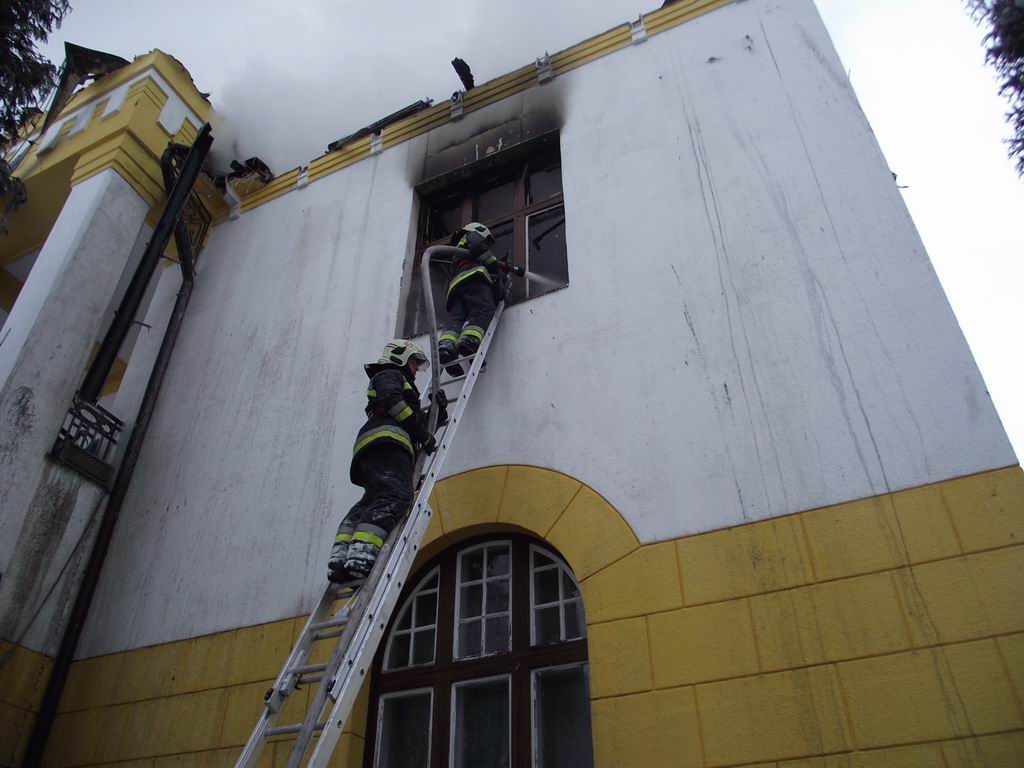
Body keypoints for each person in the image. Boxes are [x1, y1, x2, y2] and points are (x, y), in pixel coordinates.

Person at [327, 339, 444, 583]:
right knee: (395, 495)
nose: (416, 369)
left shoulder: (395, 383)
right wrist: (421, 433)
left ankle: (341, 554)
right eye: (413, 362)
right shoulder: (389, 375)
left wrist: (438, 410)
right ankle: (362, 553)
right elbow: (395, 405)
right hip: (388, 441)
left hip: (376, 444)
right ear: (399, 357)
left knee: (371, 499)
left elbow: (416, 423)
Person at [437, 222, 522, 371]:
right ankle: (469, 340)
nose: (486, 244)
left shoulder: (458, 253)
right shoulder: (472, 236)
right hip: (473, 279)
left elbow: (477, 255)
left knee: (456, 319)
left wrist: (499, 266)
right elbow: (479, 248)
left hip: (456, 288)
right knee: (483, 309)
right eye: (486, 240)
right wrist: (494, 267)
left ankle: (446, 347)